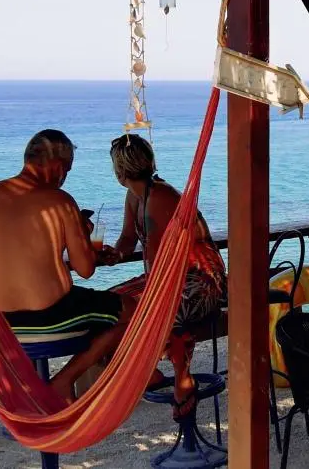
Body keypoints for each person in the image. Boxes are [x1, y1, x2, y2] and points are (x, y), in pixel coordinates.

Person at [0, 129, 134, 403]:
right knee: (133, 311)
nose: (64, 177)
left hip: (0, 319)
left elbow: (23, 254)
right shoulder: (60, 200)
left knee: (100, 311)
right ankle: (64, 380)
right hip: (51, 316)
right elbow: (85, 270)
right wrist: (82, 234)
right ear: (59, 167)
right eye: (67, 170)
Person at [104, 134, 227, 420]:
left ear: (120, 172)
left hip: (201, 279)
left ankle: (181, 374)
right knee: (108, 303)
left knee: (162, 307)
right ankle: (147, 370)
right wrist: (116, 254)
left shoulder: (160, 197)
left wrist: (147, 293)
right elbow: (128, 237)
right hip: (170, 276)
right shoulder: (136, 197)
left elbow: (160, 258)